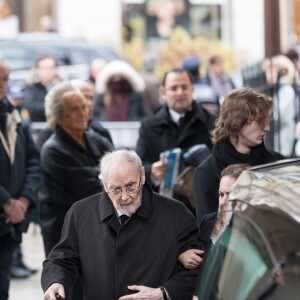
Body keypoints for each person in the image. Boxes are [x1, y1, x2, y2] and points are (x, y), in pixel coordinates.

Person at [41, 149, 200, 300]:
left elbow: (200, 270)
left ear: (143, 176)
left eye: (131, 186)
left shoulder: (175, 213)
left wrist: (164, 292)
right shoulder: (80, 213)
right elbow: (62, 258)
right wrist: (56, 281)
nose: (124, 197)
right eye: (116, 189)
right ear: (104, 184)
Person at [38, 81, 113, 257]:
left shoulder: (96, 138)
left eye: (84, 107)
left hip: (95, 226)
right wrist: (106, 175)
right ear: (59, 115)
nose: (82, 113)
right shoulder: (53, 149)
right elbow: (88, 187)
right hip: (64, 231)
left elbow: (119, 169)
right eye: (74, 109)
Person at [193, 87, 284, 222]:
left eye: (267, 121)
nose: (267, 128)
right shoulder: (206, 172)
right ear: (237, 122)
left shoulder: (277, 163)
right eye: (260, 121)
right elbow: (209, 233)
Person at [136, 68, 216, 213]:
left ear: (192, 89)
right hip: (163, 210)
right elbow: (139, 165)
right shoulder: (148, 127)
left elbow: (223, 163)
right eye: (174, 88)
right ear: (163, 92)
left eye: (184, 87)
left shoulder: (213, 123)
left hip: (202, 208)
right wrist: (152, 171)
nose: (180, 93)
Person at [0, 59, 40, 300]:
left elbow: (34, 162)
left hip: (9, 222)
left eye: (4, 79)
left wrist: (23, 201)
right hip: (6, 209)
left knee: (2, 287)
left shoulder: (15, 117)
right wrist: (7, 201)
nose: (2, 85)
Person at [36, 79, 113, 150]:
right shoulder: (49, 135)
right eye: (84, 97)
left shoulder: (100, 132)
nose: (89, 103)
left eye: (91, 98)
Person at [263, 54, 297, 157]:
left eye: (271, 70)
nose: (268, 74)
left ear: (281, 72)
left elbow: (277, 116)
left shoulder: (286, 90)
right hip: (272, 142)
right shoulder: (273, 90)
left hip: (283, 143)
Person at [23, 54, 66, 122]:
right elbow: (30, 108)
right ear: (37, 70)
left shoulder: (63, 87)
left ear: (56, 69)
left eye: (50, 68)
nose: (48, 71)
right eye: (44, 68)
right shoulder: (31, 87)